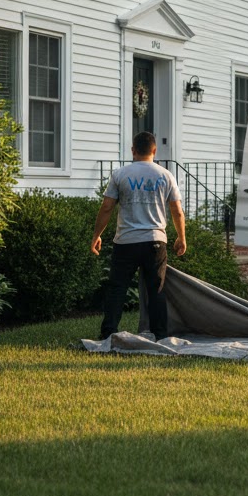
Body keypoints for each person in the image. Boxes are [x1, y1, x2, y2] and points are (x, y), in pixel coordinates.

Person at [91, 131, 187, 342]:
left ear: (133, 150)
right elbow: (177, 211)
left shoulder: (120, 174)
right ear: (154, 150)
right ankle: (160, 336)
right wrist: (181, 237)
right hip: (155, 241)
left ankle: (108, 333)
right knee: (156, 290)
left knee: (117, 288)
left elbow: (107, 207)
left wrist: (96, 235)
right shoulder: (166, 175)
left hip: (125, 242)